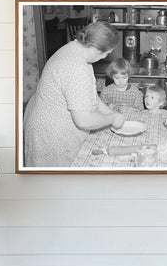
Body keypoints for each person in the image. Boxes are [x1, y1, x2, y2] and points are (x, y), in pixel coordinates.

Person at [24, 21, 125, 167]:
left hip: (42, 118)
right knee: (52, 183)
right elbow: (83, 120)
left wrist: (109, 112)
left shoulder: (75, 49)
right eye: (107, 54)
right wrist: (112, 118)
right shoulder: (76, 67)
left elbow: (89, 95)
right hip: (51, 132)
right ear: (97, 50)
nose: (105, 58)